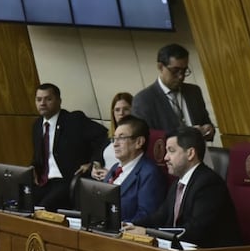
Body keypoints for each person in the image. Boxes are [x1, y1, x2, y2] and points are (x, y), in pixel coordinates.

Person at [123, 127, 241, 248]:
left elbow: (195, 230)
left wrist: (148, 233)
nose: (165, 158)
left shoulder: (209, 184)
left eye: (171, 151)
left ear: (190, 153)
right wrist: (129, 225)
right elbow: (160, 216)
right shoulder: (178, 183)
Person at [30, 83, 108, 211]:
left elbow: (104, 136)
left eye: (48, 99)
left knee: (41, 210)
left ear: (59, 101)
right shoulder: (37, 125)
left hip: (66, 181)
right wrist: (32, 168)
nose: (42, 103)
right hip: (43, 181)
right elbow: (38, 156)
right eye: (39, 100)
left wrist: (93, 162)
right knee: (21, 204)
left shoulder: (74, 120)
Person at [132, 43, 215, 142]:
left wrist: (209, 129)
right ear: (160, 67)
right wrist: (187, 133)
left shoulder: (194, 92)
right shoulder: (144, 100)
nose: (181, 76)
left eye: (184, 71)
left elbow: (206, 122)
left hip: (199, 155)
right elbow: (146, 139)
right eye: (175, 71)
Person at [104, 115, 166, 224]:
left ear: (139, 142)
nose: (115, 144)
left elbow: (146, 215)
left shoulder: (149, 174)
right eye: (114, 138)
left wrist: (121, 227)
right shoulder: (115, 168)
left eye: (121, 138)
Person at [91, 92, 133, 181]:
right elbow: (97, 158)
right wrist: (95, 168)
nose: (121, 113)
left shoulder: (137, 138)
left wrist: (112, 174)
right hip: (104, 185)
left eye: (126, 109)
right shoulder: (108, 135)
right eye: (117, 110)